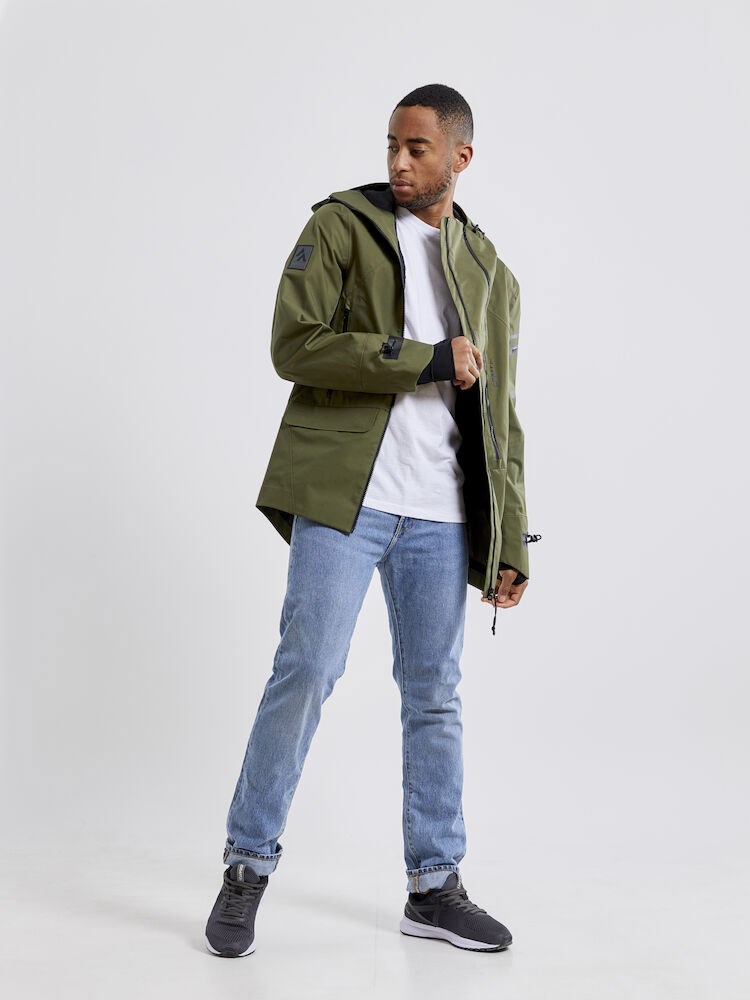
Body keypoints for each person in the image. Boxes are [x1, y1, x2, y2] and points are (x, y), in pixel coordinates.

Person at [205, 83, 540, 958]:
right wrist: (424, 359)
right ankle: (246, 866)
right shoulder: (341, 227)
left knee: (434, 696)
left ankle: (434, 887)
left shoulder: (490, 271)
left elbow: (501, 416)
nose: (398, 161)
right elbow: (295, 344)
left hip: (442, 514)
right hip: (346, 500)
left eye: (417, 148)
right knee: (306, 671)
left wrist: (509, 537)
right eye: (392, 144)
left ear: (460, 157)